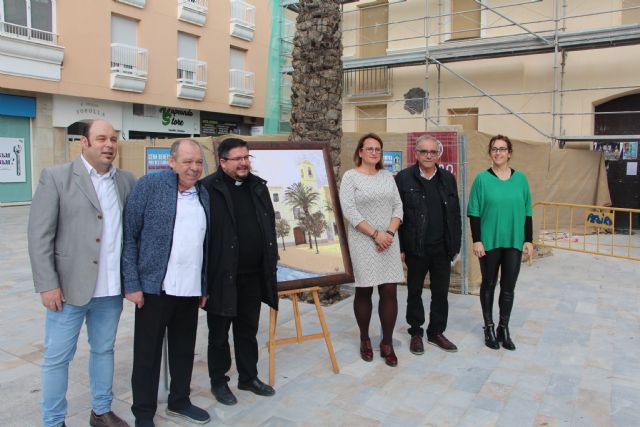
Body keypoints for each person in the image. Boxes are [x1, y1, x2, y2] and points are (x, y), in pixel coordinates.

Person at [28, 119, 135, 427]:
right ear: (83, 143)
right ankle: (53, 421)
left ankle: (100, 411)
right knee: (57, 358)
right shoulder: (57, 177)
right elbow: (39, 236)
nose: (109, 145)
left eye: (113, 139)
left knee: (104, 350)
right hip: (68, 290)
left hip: (110, 291)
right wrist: (48, 285)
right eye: (101, 138)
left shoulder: (125, 180)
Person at [122, 139, 210, 427]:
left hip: (190, 288)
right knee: (147, 355)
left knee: (184, 350)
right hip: (153, 288)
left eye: (198, 162)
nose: (194, 168)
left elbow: (206, 244)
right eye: (187, 162)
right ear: (171, 162)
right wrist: (132, 283)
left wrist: (204, 286)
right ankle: (143, 413)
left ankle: (179, 401)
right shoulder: (149, 186)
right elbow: (129, 236)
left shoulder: (203, 193)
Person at [201, 138, 278, 406]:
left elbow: (269, 225)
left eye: (247, 157)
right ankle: (219, 382)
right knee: (219, 334)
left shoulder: (258, 187)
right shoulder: (208, 189)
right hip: (221, 277)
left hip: (253, 276)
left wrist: (271, 260)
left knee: (247, 330)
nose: (245, 163)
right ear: (223, 162)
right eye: (238, 158)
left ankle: (248, 377)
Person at [339, 133, 404, 367]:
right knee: (364, 292)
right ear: (360, 151)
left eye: (378, 149)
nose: (374, 152)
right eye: (369, 149)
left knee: (389, 291)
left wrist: (389, 234)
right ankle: (365, 338)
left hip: (388, 239)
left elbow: (398, 206)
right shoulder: (350, 177)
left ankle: (387, 342)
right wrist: (375, 234)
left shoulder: (388, 176)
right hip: (362, 240)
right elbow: (349, 210)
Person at [394, 135, 462, 355]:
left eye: (433, 152)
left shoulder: (447, 178)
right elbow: (397, 215)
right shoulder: (403, 179)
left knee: (440, 293)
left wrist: (456, 246)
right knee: (414, 291)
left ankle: (436, 332)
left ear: (438, 154)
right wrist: (402, 248)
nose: (428, 155)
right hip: (416, 247)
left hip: (442, 247)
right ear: (416, 153)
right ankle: (416, 332)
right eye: (424, 151)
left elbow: (455, 214)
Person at [467, 134, 533, 351]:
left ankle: (503, 328)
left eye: (502, 149)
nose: (498, 152)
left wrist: (528, 240)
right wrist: (477, 240)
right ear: (490, 153)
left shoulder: (521, 179)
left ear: (509, 153)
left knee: (508, 287)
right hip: (489, 241)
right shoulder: (481, 179)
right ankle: (488, 326)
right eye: (494, 149)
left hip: (513, 241)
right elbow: (474, 212)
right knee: (488, 284)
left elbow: (527, 212)